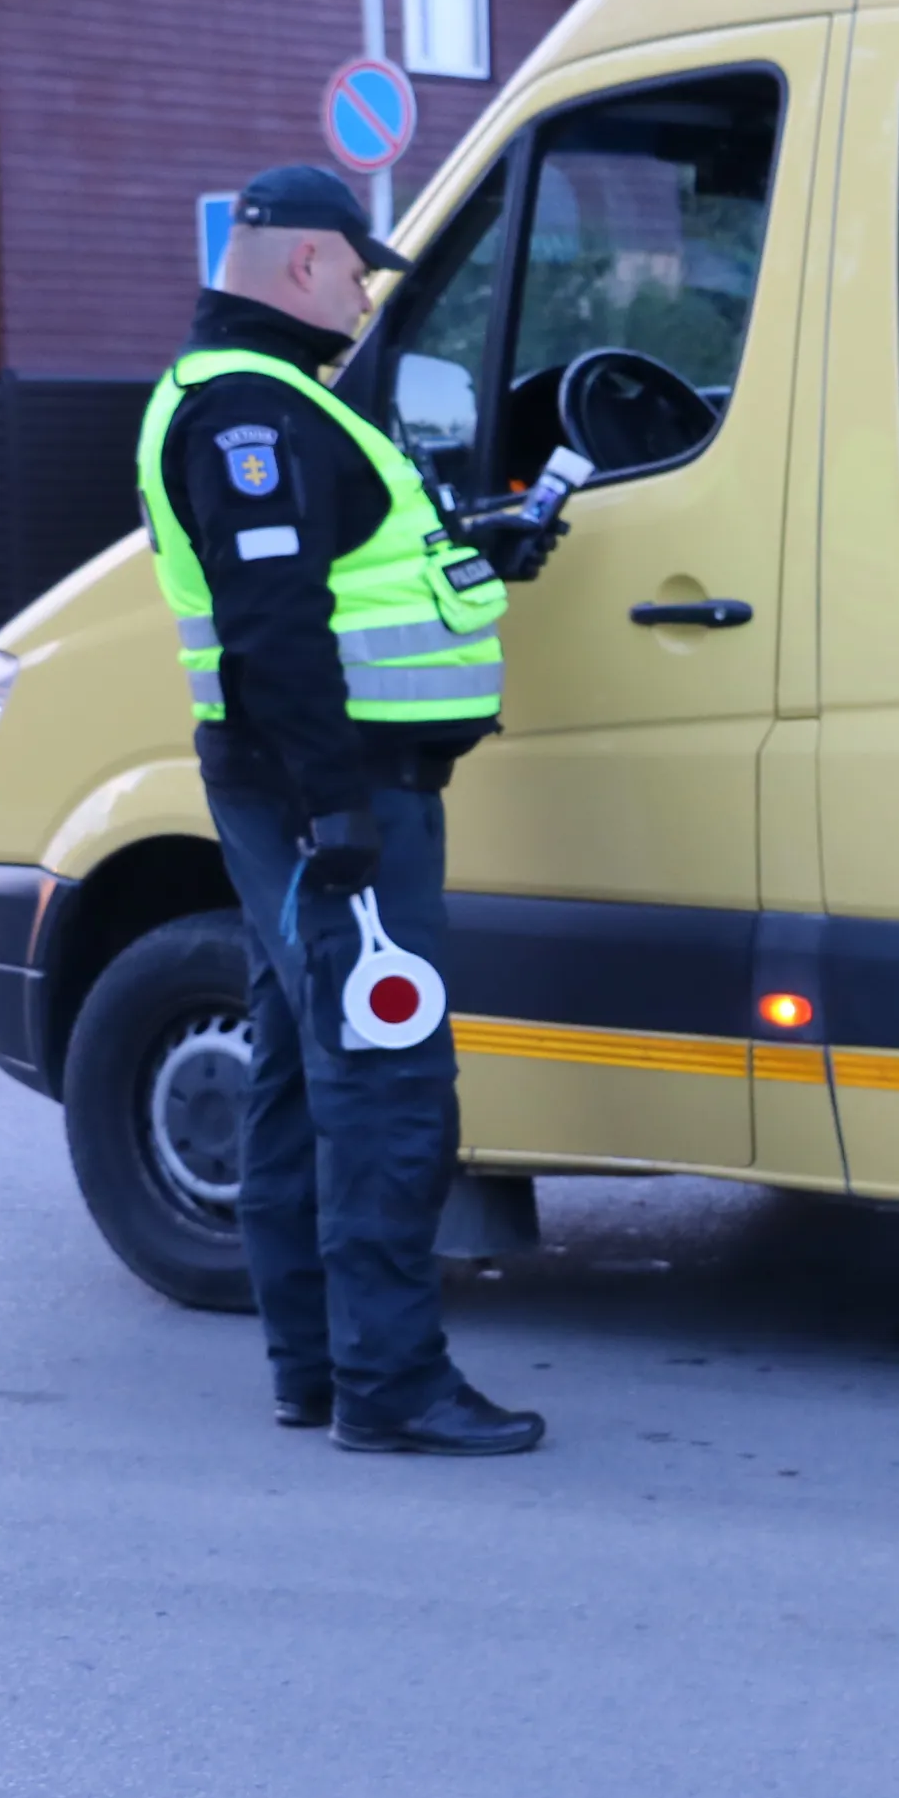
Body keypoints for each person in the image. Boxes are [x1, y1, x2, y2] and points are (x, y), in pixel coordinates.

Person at [131, 165, 565, 1455]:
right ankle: (393, 1384)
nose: (371, 293)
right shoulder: (248, 416)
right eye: (363, 270)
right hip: (333, 792)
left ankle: (315, 1369)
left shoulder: (270, 406)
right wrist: (335, 814)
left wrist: (487, 546)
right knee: (386, 1080)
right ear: (309, 263)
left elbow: (355, 572)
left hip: (319, 789)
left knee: (301, 1075)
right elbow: (273, 631)